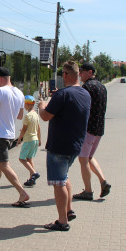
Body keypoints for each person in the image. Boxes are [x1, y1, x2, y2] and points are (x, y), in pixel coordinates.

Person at [37, 60, 91, 231]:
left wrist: (41, 106)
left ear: (66, 75)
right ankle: (69, 210)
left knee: (58, 182)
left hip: (59, 145)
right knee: (65, 177)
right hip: (75, 144)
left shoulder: (61, 95)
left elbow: (45, 116)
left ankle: (62, 221)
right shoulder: (85, 94)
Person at [0, 67, 30, 207]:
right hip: (10, 134)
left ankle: (22, 192)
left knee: (3, 164)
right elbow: (20, 115)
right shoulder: (19, 93)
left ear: (0, 78)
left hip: (0, 134)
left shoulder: (0, 91)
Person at [73, 62, 111, 200]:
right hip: (99, 129)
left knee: (83, 160)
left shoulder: (87, 87)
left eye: (82, 72)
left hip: (88, 129)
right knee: (89, 157)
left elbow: (82, 109)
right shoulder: (102, 86)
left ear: (90, 72)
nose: (80, 74)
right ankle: (103, 181)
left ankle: (88, 191)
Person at [17, 95, 41, 187]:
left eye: (24, 104)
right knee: (29, 159)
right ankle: (32, 179)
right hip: (34, 140)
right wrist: (39, 139)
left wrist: (19, 139)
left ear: (27, 105)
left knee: (22, 158)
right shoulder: (35, 114)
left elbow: (24, 129)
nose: (24, 106)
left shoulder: (27, 116)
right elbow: (38, 128)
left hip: (28, 140)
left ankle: (34, 173)